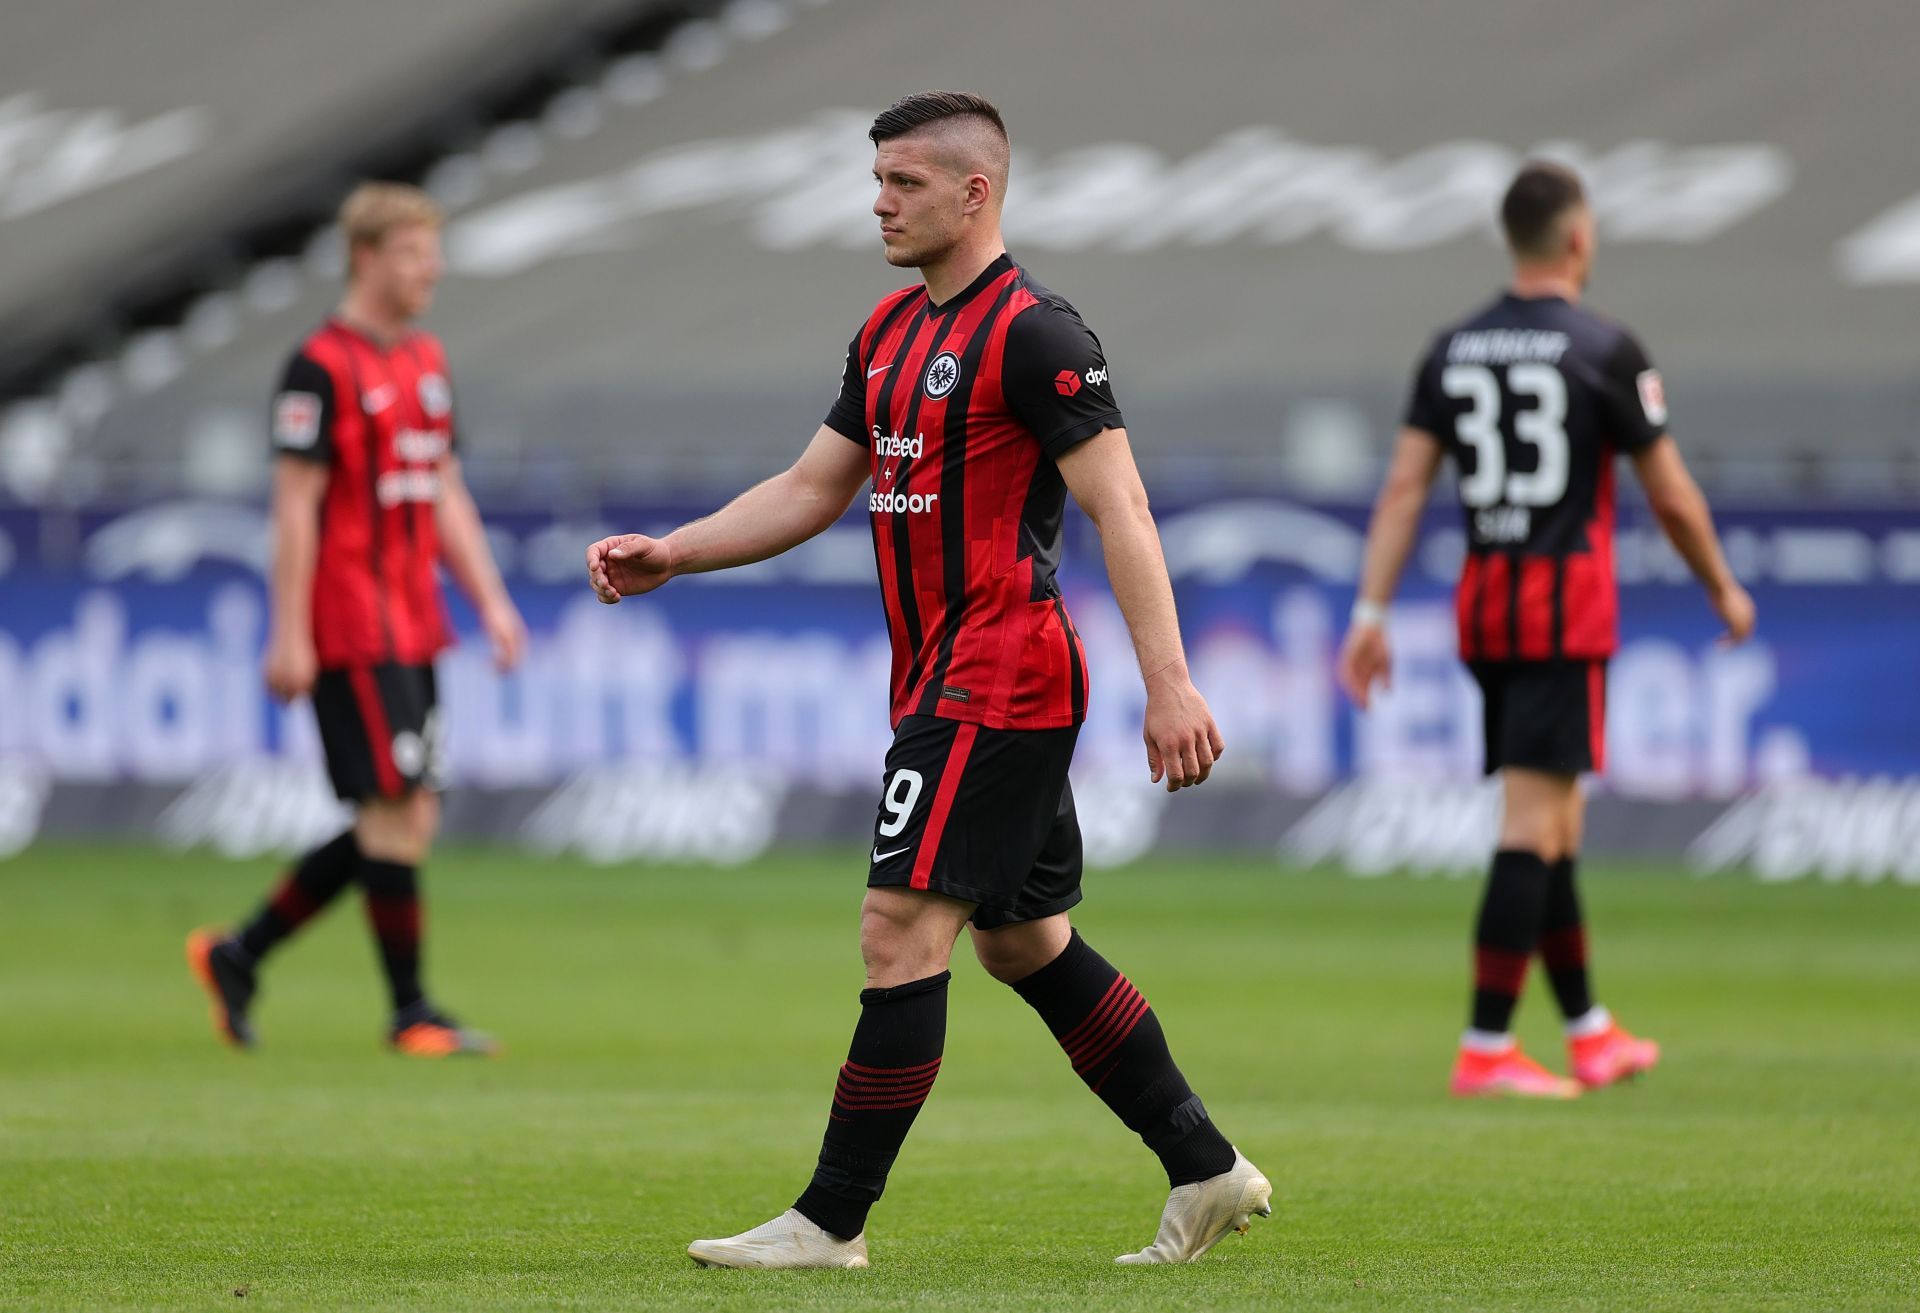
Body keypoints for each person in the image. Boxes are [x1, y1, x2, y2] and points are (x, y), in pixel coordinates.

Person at [587, 91, 1270, 1268]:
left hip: (998, 675)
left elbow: (1123, 505)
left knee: (897, 926)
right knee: (1023, 942)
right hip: (945, 677)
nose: (878, 202)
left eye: (903, 182)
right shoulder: (889, 335)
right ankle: (1206, 1166)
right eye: (878, 180)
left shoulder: (1039, 335)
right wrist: (677, 550)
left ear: (975, 192)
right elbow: (812, 488)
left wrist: (1171, 682)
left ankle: (830, 1220)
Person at [1337, 161, 1756, 1098]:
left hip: (1486, 604)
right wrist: (1722, 585)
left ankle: (1588, 1029)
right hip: (1564, 610)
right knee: (1535, 820)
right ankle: (1486, 1046)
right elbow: (1673, 494)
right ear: (1577, 238)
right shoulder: (1605, 349)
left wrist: (1370, 610)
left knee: (1558, 821)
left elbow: (1406, 485)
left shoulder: (1453, 349)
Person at [186, 182, 526, 1057]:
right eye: (415, 254)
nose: (431, 270)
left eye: (433, 253)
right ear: (367, 257)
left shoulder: (425, 362)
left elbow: (444, 487)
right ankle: (410, 1010)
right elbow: (293, 505)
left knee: (408, 815)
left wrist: (488, 599)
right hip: (349, 618)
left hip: (415, 620)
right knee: (397, 808)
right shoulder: (318, 368)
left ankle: (240, 950)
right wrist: (287, 630)